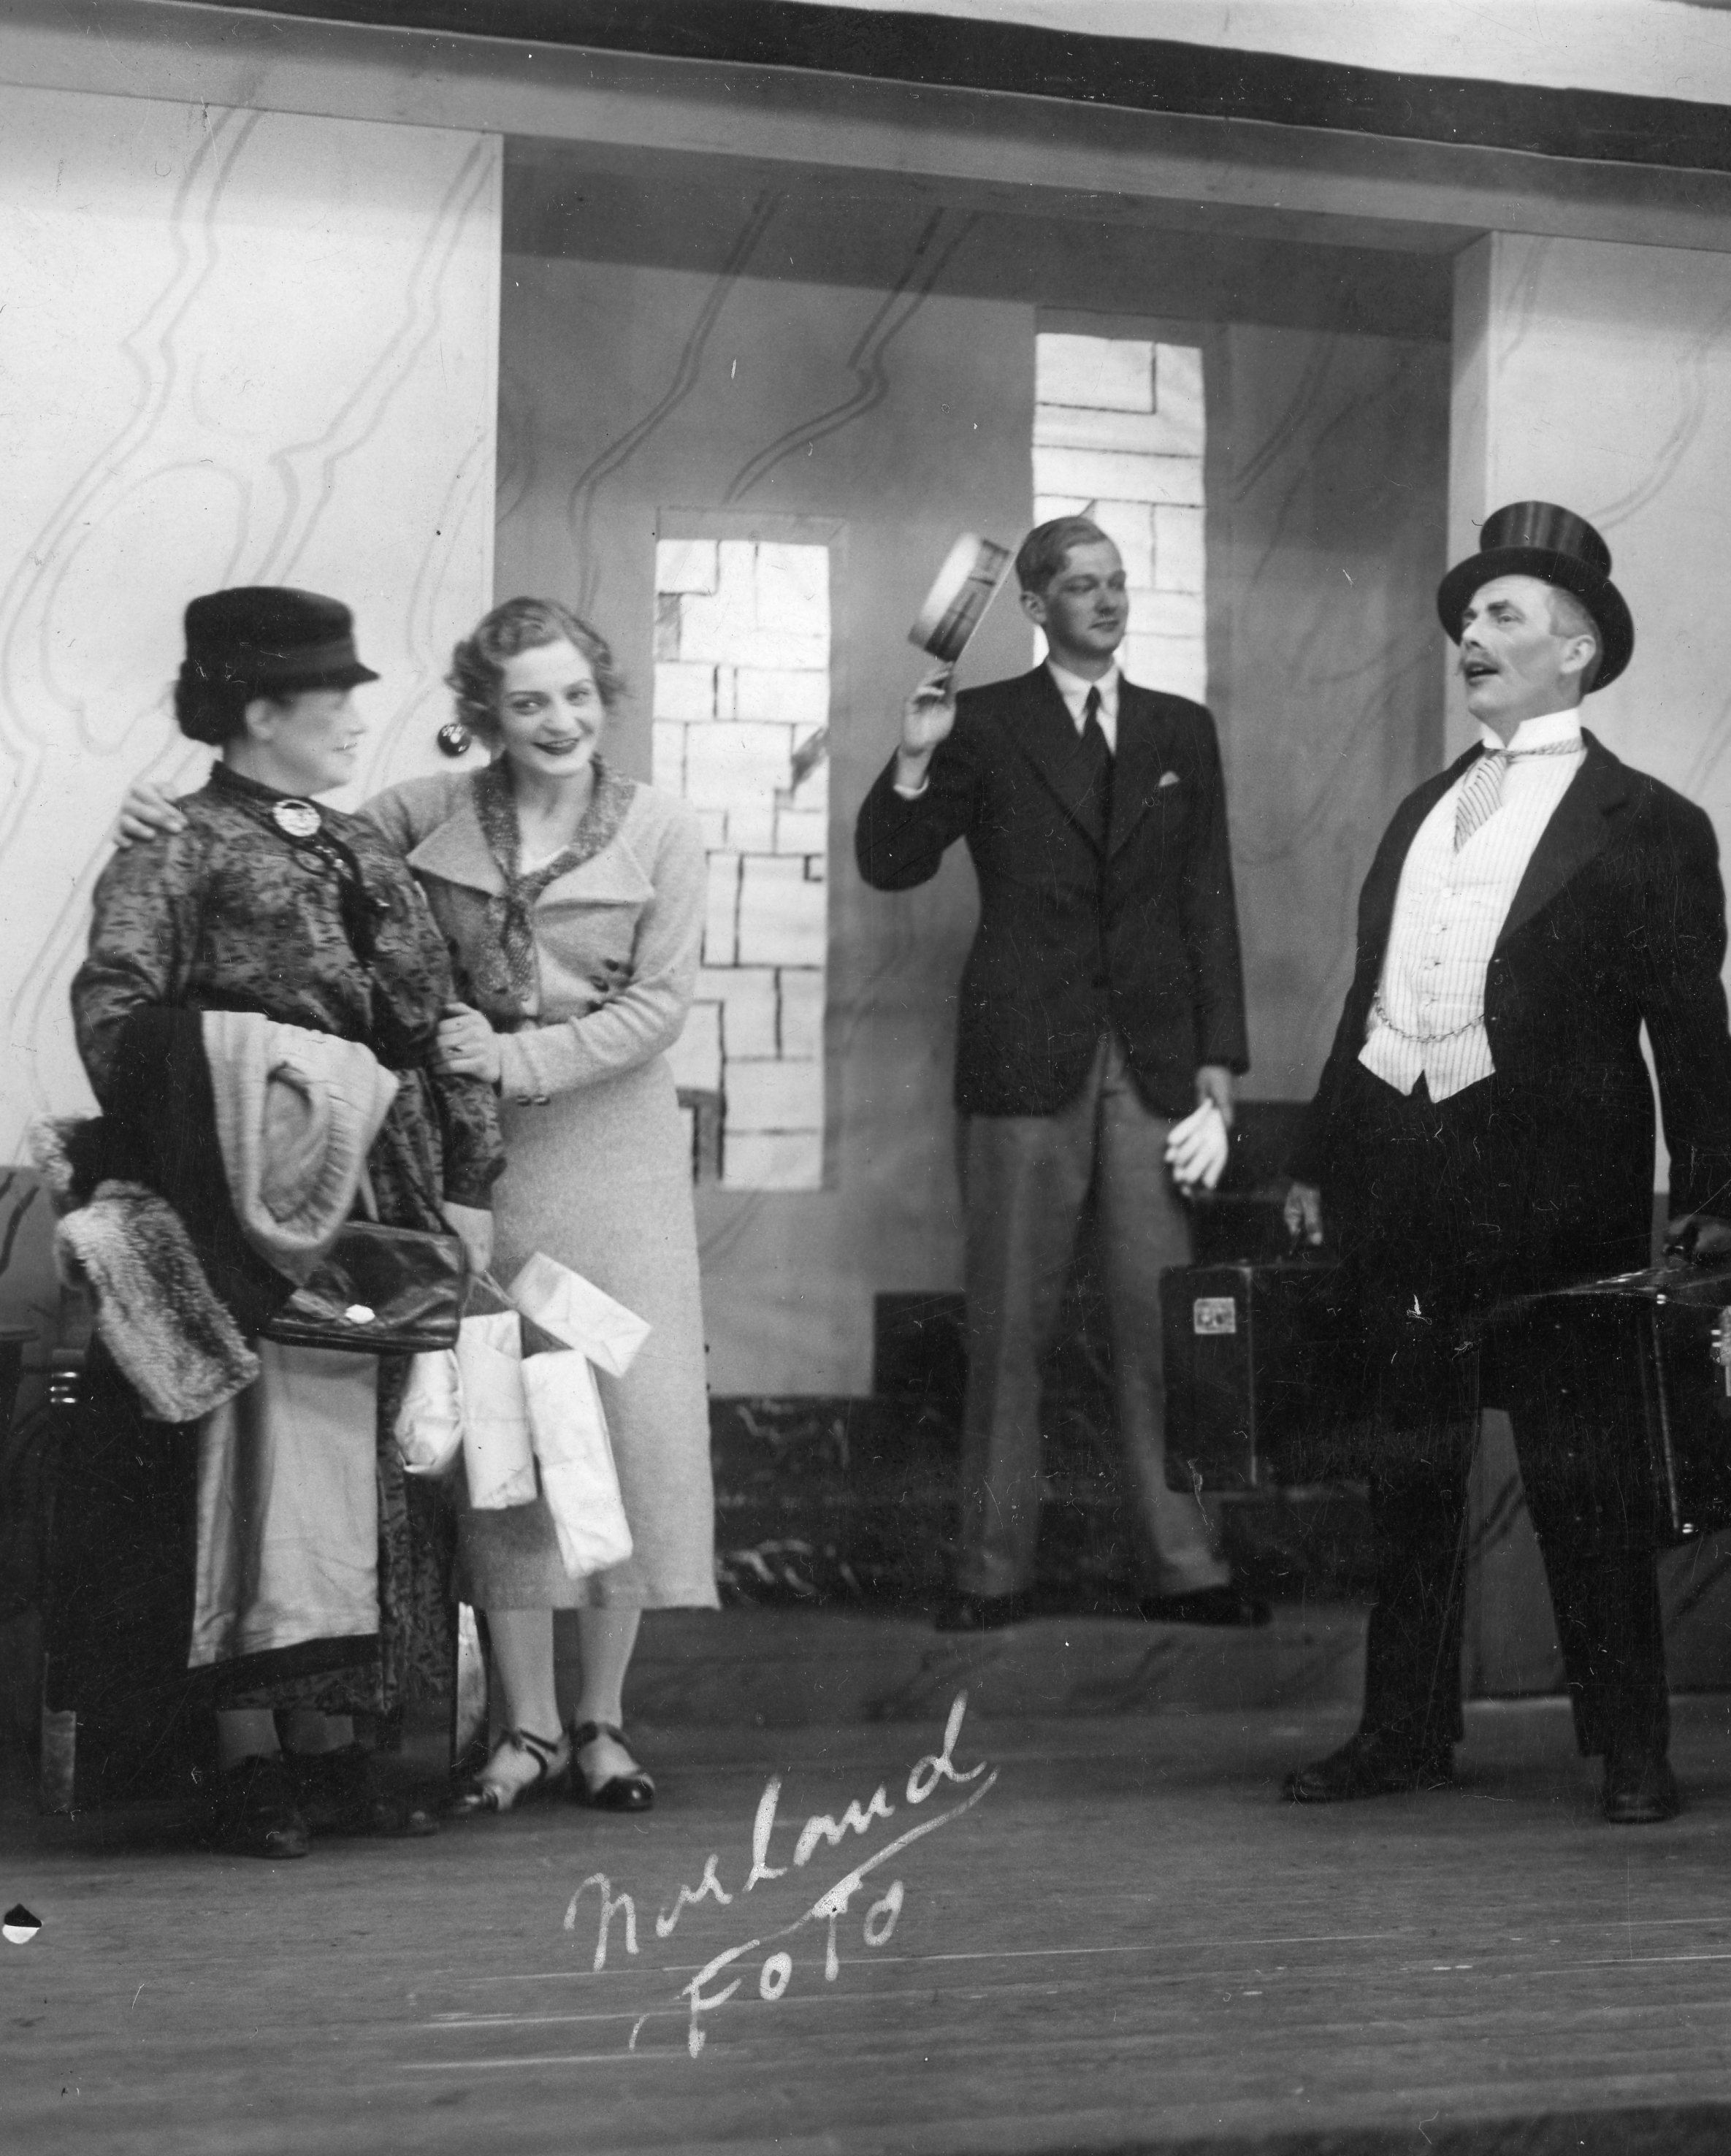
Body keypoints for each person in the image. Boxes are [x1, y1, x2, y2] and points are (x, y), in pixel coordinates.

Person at [114, 597, 719, 1817]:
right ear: (485, 713)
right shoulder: (418, 815)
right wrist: (148, 809)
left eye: (578, 695)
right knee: (503, 1429)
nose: (559, 720)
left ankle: (600, 1721)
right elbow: (280, 822)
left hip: (608, 1153)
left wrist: (510, 1060)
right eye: (529, 701)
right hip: (469, 1166)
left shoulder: (661, 827)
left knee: (617, 1420)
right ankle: (522, 1727)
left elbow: (658, 1007)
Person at [1278, 501, 1731, 1826]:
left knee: (1584, 1478)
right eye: (1466, 619)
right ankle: (1400, 1733)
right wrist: (1318, 1158)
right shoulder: (1422, 811)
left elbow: (1691, 1029)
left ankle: (1631, 1749)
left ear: (1576, 650)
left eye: (1502, 615)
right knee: (1409, 1477)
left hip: (1556, 1201)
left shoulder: (1647, 821)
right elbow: (1371, 1000)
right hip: (1399, 1186)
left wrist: (1711, 1198)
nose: (1470, 637)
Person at [73, 586, 503, 1857]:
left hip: (386, 1193)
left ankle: (334, 1749)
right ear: (261, 712)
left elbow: (435, 1017)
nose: (359, 719)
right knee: (253, 1477)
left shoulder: (367, 843)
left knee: (366, 1469)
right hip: (248, 1203)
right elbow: (115, 1019)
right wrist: (277, 1089)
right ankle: (246, 1757)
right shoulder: (175, 846)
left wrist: (469, 1174)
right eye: (335, 697)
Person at [854, 516, 1261, 1634]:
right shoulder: (982, 723)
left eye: (1117, 582)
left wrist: (1219, 1062)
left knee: (1157, 1322)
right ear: (1033, 607)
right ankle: (989, 1570)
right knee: (1008, 1327)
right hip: (1022, 1055)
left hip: (1155, 1065)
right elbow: (890, 863)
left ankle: (1184, 1565)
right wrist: (914, 756)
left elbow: (1209, 899)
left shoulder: (1181, 728)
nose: (1108, 600)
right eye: (1083, 585)